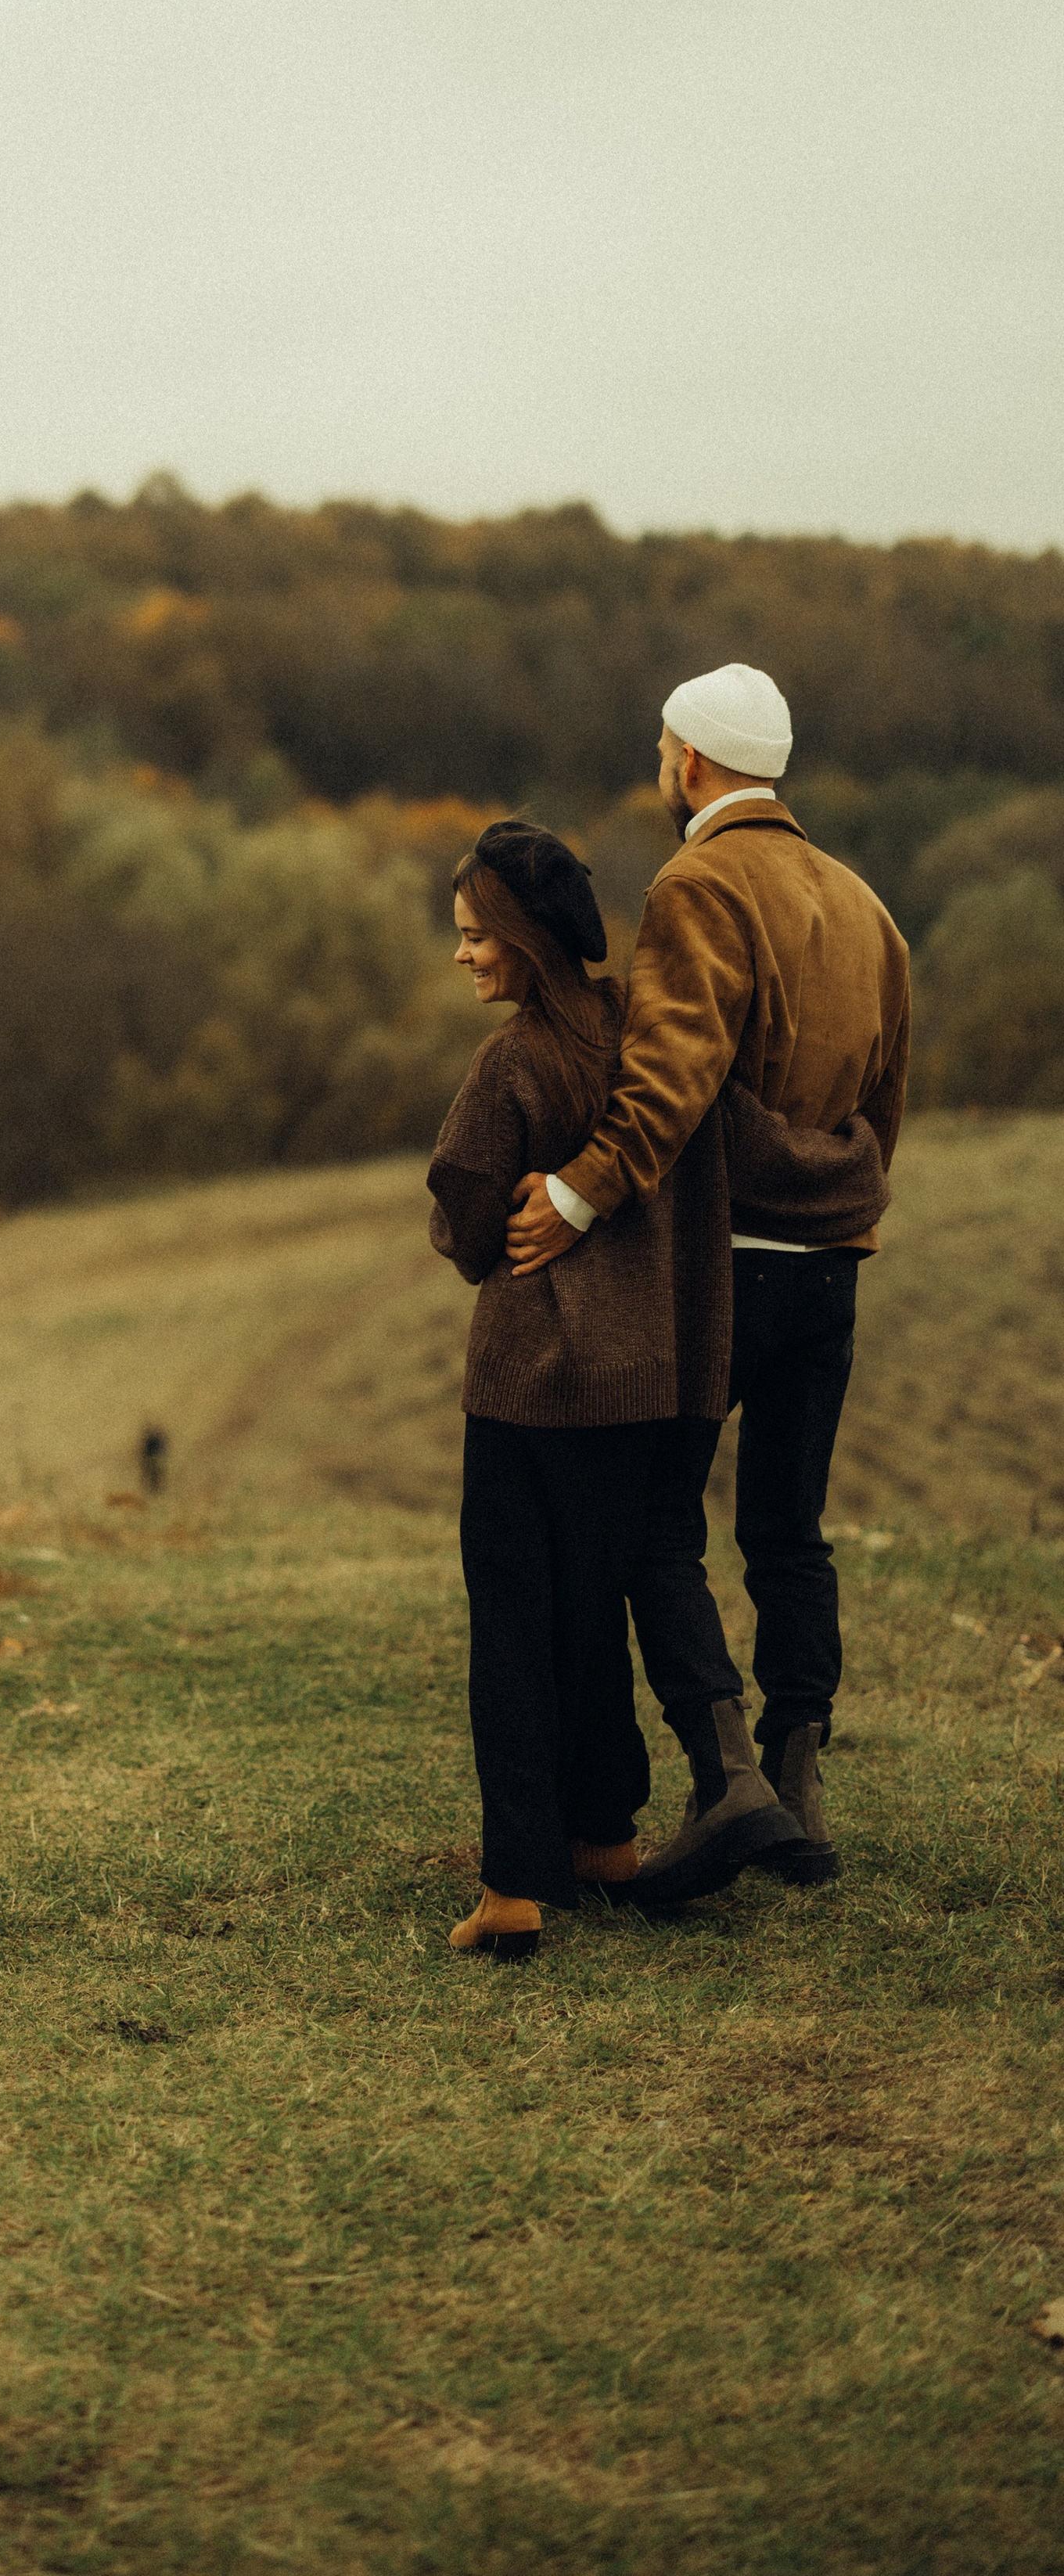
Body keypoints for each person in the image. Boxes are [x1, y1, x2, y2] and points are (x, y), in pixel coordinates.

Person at [505, 666, 911, 1900]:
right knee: (789, 1527)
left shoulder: (696, 886)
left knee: (653, 1525)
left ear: (687, 761)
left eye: (663, 743)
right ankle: (798, 1786)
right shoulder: (865, 905)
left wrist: (581, 1189)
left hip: (723, 1259)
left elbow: (672, 1072)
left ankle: (726, 1776)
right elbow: (887, 1099)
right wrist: (847, 1202)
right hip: (833, 1258)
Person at [425, 821, 766, 1962]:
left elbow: (469, 1225)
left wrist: (490, 1217)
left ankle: (518, 1884)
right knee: (594, 1615)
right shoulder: (647, 1037)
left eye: (476, 937)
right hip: (646, 1385)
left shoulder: (512, 1065)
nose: (464, 956)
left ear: (521, 940)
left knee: (515, 1628)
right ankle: (605, 1838)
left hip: (528, 1390)